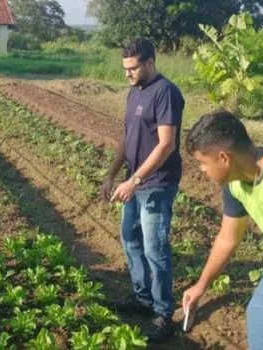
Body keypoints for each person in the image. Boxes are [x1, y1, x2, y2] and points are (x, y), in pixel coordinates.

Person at [182, 110, 263, 350]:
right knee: (261, 319)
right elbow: (227, 238)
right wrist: (200, 286)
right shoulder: (236, 179)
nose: (202, 171)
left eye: (203, 163)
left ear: (224, 157)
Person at [100, 37, 185, 342]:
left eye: (133, 68)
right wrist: (112, 175)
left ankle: (163, 312)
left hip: (157, 184)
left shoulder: (166, 92)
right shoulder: (134, 93)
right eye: (125, 68)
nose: (128, 74)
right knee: (129, 238)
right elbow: (126, 136)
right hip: (132, 180)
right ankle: (142, 299)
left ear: (150, 62)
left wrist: (133, 182)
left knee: (154, 247)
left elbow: (166, 145)